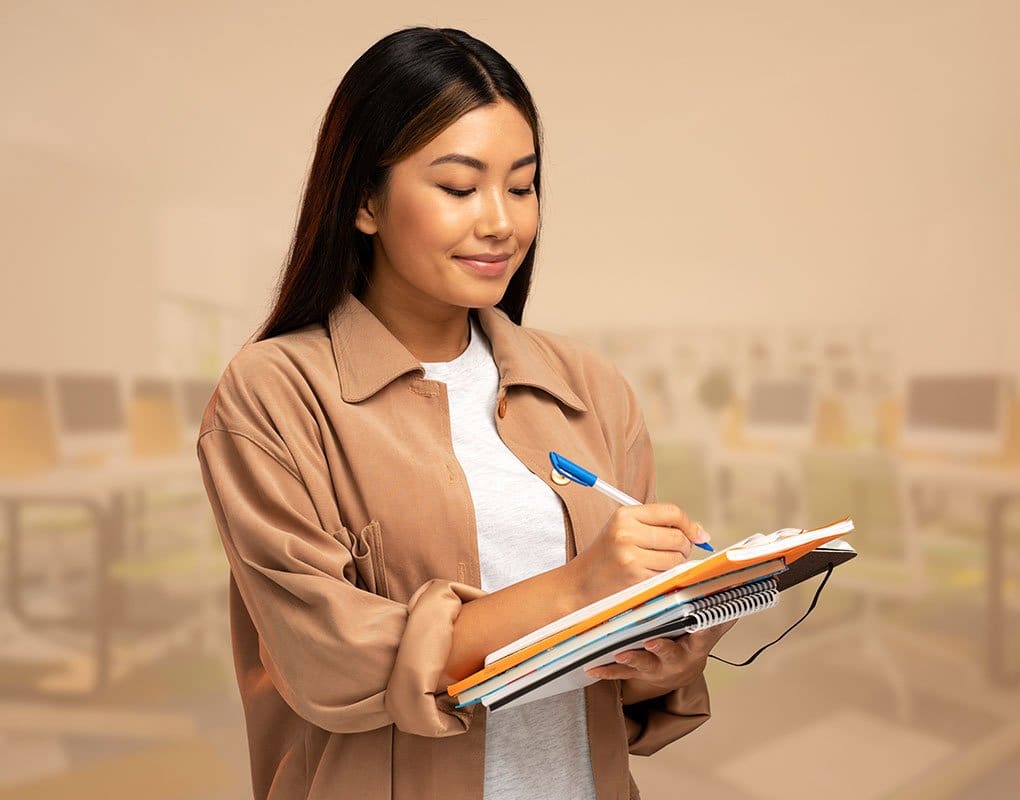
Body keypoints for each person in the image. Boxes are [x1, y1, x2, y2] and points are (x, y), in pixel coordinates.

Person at [196, 26, 733, 800]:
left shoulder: (588, 386)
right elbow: (329, 660)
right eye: (458, 188)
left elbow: (624, 688)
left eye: (521, 187)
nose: (501, 222)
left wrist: (669, 630)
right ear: (363, 201)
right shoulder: (276, 390)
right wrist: (580, 589)